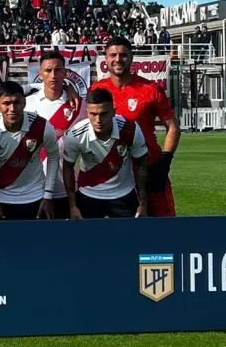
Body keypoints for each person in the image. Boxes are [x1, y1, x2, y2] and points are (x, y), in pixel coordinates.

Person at [90, 36, 180, 217]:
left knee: (163, 229)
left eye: (123, 55)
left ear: (131, 58)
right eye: (112, 55)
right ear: (105, 59)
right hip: (113, 173)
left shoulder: (150, 89)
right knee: (120, 234)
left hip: (149, 169)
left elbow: (173, 127)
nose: (118, 59)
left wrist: (165, 160)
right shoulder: (97, 89)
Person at [0, 81, 59, 221]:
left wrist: (48, 195)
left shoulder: (42, 126)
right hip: (0, 197)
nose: (12, 108)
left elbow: (53, 156)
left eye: (17, 102)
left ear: (24, 103)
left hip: (36, 197)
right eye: (6, 103)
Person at [62, 89, 150, 219]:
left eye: (103, 114)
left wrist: (143, 204)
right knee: (85, 239)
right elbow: (68, 167)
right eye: (93, 114)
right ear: (87, 113)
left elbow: (142, 164)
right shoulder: (75, 135)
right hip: (88, 195)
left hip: (123, 195)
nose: (98, 120)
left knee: (130, 238)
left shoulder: (130, 129)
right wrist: (73, 206)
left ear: (113, 112)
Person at [24, 50, 85, 219]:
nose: (53, 75)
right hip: (33, 188)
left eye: (58, 70)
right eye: (48, 71)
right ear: (40, 74)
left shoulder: (79, 105)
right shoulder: (26, 104)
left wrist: (70, 90)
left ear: (65, 73)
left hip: (67, 188)